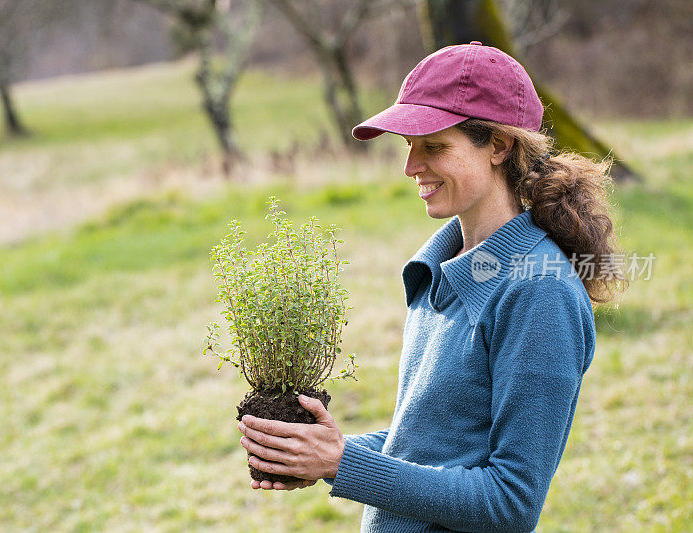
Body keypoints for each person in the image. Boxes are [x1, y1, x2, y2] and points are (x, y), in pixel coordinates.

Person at [236, 41, 628, 532]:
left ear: (500, 146)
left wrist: (342, 466)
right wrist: (318, 454)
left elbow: (510, 502)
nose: (411, 166)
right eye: (408, 146)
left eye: (435, 147)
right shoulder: (443, 267)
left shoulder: (538, 292)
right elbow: (430, 444)